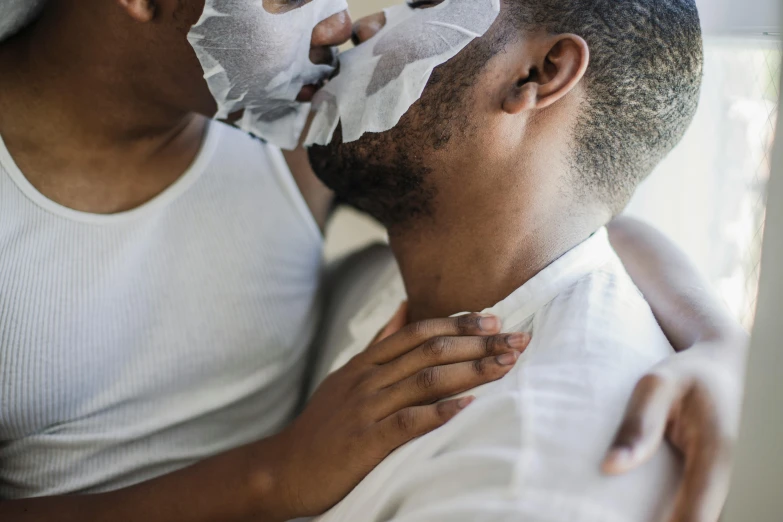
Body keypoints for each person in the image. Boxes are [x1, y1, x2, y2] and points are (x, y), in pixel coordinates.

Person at [0, 0, 745, 521]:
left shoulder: (283, 139)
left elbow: (550, 213)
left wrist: (724, 342)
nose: (339, 25)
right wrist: (272, 477)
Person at [306, 0, 747, 520]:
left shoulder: (529, 472)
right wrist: (724, 340)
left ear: (539, 74)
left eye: (423, 1)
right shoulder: (391, 278)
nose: (364, 24)